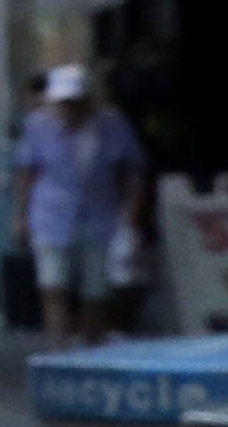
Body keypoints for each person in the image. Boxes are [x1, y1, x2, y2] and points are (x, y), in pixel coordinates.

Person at [19, 61, 150, 342]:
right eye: (63, 103)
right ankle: (58, 344)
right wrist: (21, 216)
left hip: (99, 216)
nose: (69, 110)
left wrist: (130, 219)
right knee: (53, 285)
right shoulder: (38, 126)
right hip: (51, 213)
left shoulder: (112, 125)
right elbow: (27, 171)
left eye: (75, 102)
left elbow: (131, 172)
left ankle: (91, 343)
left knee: (96, 291)